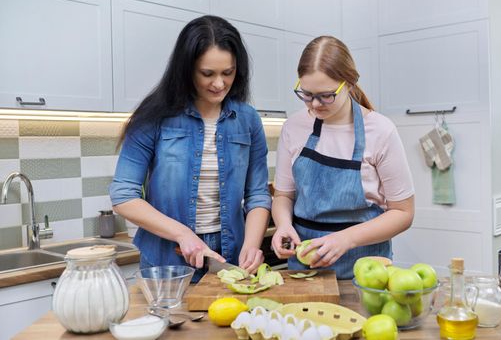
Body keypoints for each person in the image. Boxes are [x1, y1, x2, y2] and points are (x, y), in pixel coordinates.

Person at [110, 15, 271, 282]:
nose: (219, 84)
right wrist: (183, 234)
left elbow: (257, 195)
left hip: (229, 259)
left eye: (227, 73)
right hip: (166, 261)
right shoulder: (154, 118)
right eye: (207, 73)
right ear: (186, 69)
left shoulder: (248, 120)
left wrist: (252, 245)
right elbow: (123, 195)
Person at [271, 36, 414, 279]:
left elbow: (403, 213)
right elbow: (284, 195)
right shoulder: (293, 127)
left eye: (326, 95)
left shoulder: (380, 130)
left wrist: (346, 239)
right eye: (306, 94)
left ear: (349, 83)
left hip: (366, 269)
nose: (315, 104)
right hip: (304, 271)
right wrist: (283, 225)